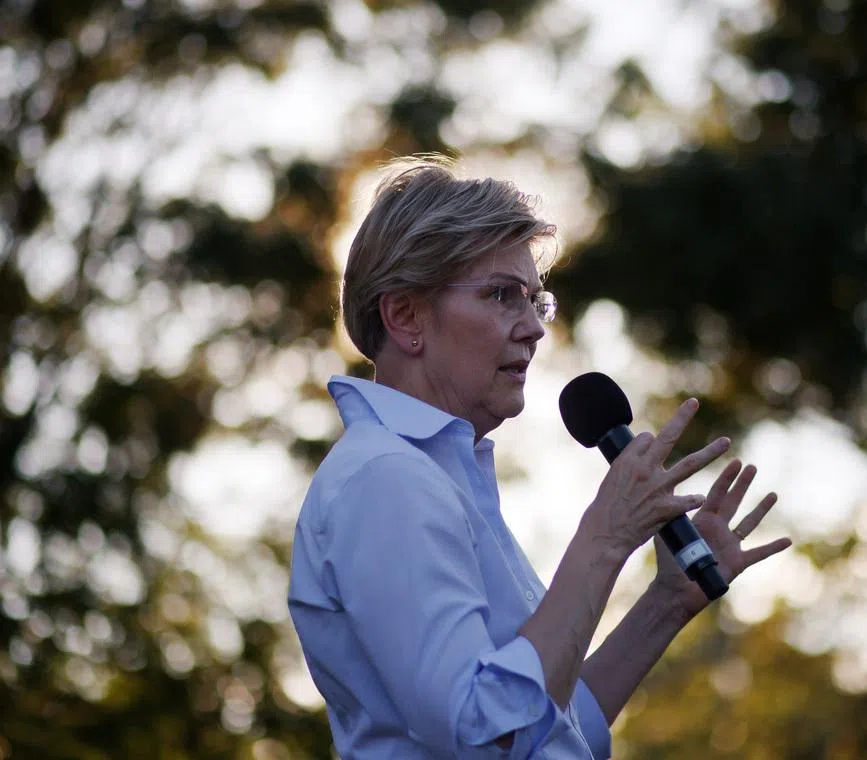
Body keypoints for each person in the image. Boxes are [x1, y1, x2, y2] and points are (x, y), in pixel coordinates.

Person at [287, 155, 792, 758]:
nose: (533, 328)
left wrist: (668, 602)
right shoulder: (386, 480)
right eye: (502, 295)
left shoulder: (438, 474)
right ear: (405, 316)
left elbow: (547, 728)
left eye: (535, 301)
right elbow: (486, 733)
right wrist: (604, 538)